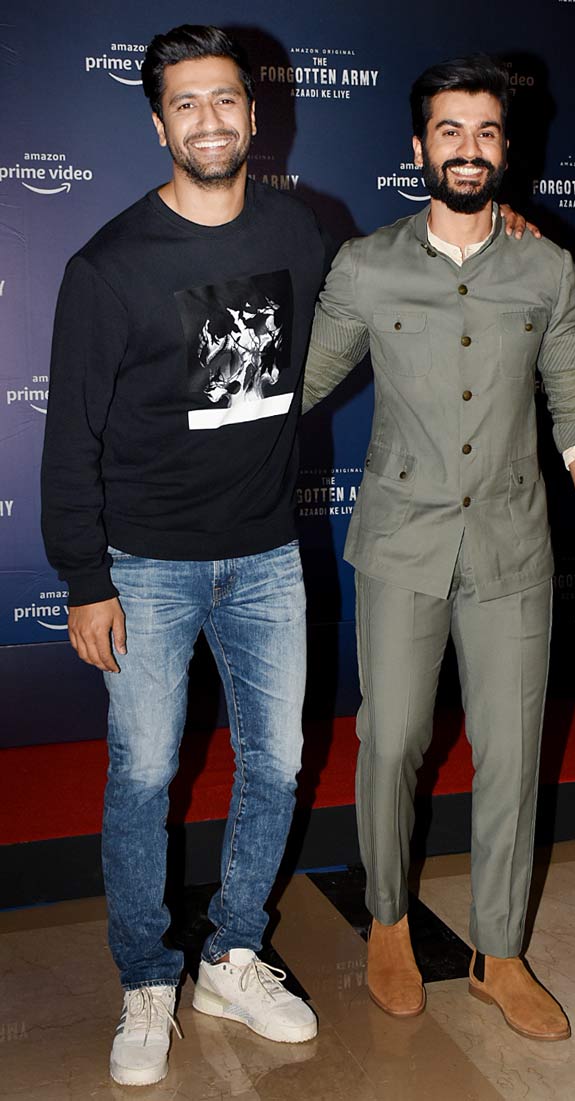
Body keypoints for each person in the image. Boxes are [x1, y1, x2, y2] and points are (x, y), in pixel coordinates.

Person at [303, 54, 575, 1040]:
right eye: (450, 131)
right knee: (392, 742)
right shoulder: (365, 263)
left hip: (513, 552)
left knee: (512, 754)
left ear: (505, 148)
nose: (469, 149)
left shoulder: (545, 268)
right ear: (418, 147)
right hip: (399, 546)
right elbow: (297, 390)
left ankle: (498, 952)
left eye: (485, 132)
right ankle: (390, 923)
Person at [40, 23, 328, 1086]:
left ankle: (233, 955)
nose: (209, 120)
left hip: (266, 558)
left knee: (279, 762)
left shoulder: (303, 233)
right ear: (159, 122)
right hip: (147, 567)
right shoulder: (108, 266)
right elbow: (70, 436)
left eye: (226, 100)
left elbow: (393, 295)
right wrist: (85, 578)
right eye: (186, 104)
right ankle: (146, 976)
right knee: (147, 771)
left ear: (254, 115)